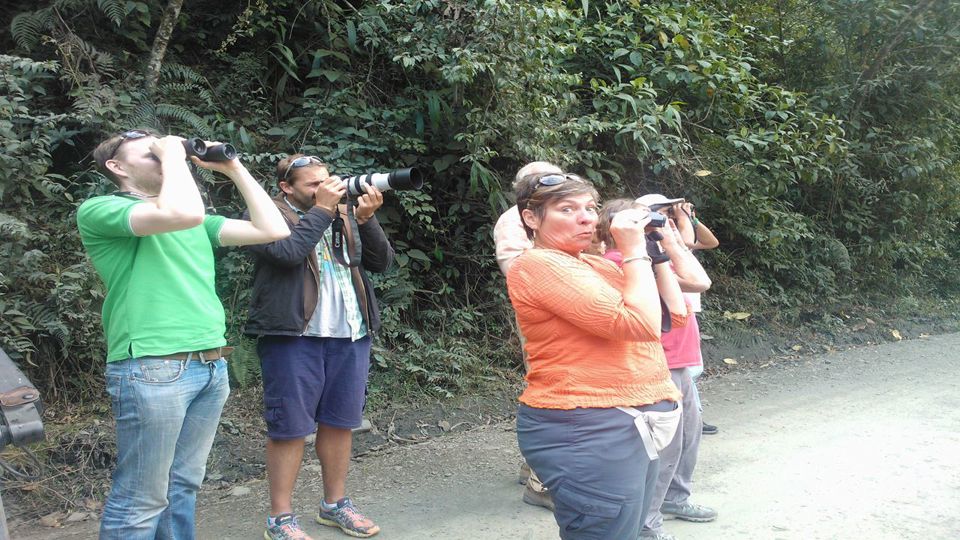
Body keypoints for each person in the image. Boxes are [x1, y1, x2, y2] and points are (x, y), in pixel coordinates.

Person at [78, 129, 290, 539]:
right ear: (117, 167)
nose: (163, 153)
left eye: (164, 149)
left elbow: (274, 229)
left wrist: (234, 168)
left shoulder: (196, 220)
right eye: (151, 151)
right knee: (141, 498)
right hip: (152, 366)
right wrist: (173, 154)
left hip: (210, 365)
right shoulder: (101, 209)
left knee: (182, 487)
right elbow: (181, 213)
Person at [507, 172, 686, 539]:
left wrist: (658, 248)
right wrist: (634, 251)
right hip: (587, 428)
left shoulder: (598, 265)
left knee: (631, 530)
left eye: (590, 207)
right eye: (567, 209)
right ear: (531, 218)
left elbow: (674, 313)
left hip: (630, 425)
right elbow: (639, 325)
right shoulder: (537, 265)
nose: (587, 217)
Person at [243, 154, 394, 539]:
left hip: (349, 331)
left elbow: (382, 263)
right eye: (312, 184)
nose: (325, 188)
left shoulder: (339, 213)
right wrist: (324, 211)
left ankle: (334, 504)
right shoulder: (266, 214)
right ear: (286, 188)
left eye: (327, 180)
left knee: (341, 421)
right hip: (293, 335)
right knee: (290, 428)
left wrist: (365, 220)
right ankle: (280, 518)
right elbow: (287, 253)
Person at [598, 198, 717, 540]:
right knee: (662, 451)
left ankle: (674, 501)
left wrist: (670, 236)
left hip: (680, 360)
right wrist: (667, 239)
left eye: (664, 214)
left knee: (685, 442)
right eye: (655, 215)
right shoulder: (623, 261)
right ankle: (649, 525)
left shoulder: (650, 255)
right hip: (658, 362)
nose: (661, 220)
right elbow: (699, 281)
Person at [493, 161, 562, 511]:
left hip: (567, 312)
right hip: (544, 319)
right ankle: (541, 479)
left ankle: (536, 466)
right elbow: (518, 270)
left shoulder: (555, 212)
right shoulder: (513, 220)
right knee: (550, 391)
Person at [639, 195, 721, 435]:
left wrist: (690, 219)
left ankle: (691, 416)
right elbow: (686, 250)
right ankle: (685, 417)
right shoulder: (651, 244)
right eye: (663, 212)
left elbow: (710, 242)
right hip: (668, 319)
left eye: (669, 212)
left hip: (686, 310)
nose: (668, 218)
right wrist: (682, 222)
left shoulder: (671, 236)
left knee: (689, 372)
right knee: (679, 374)